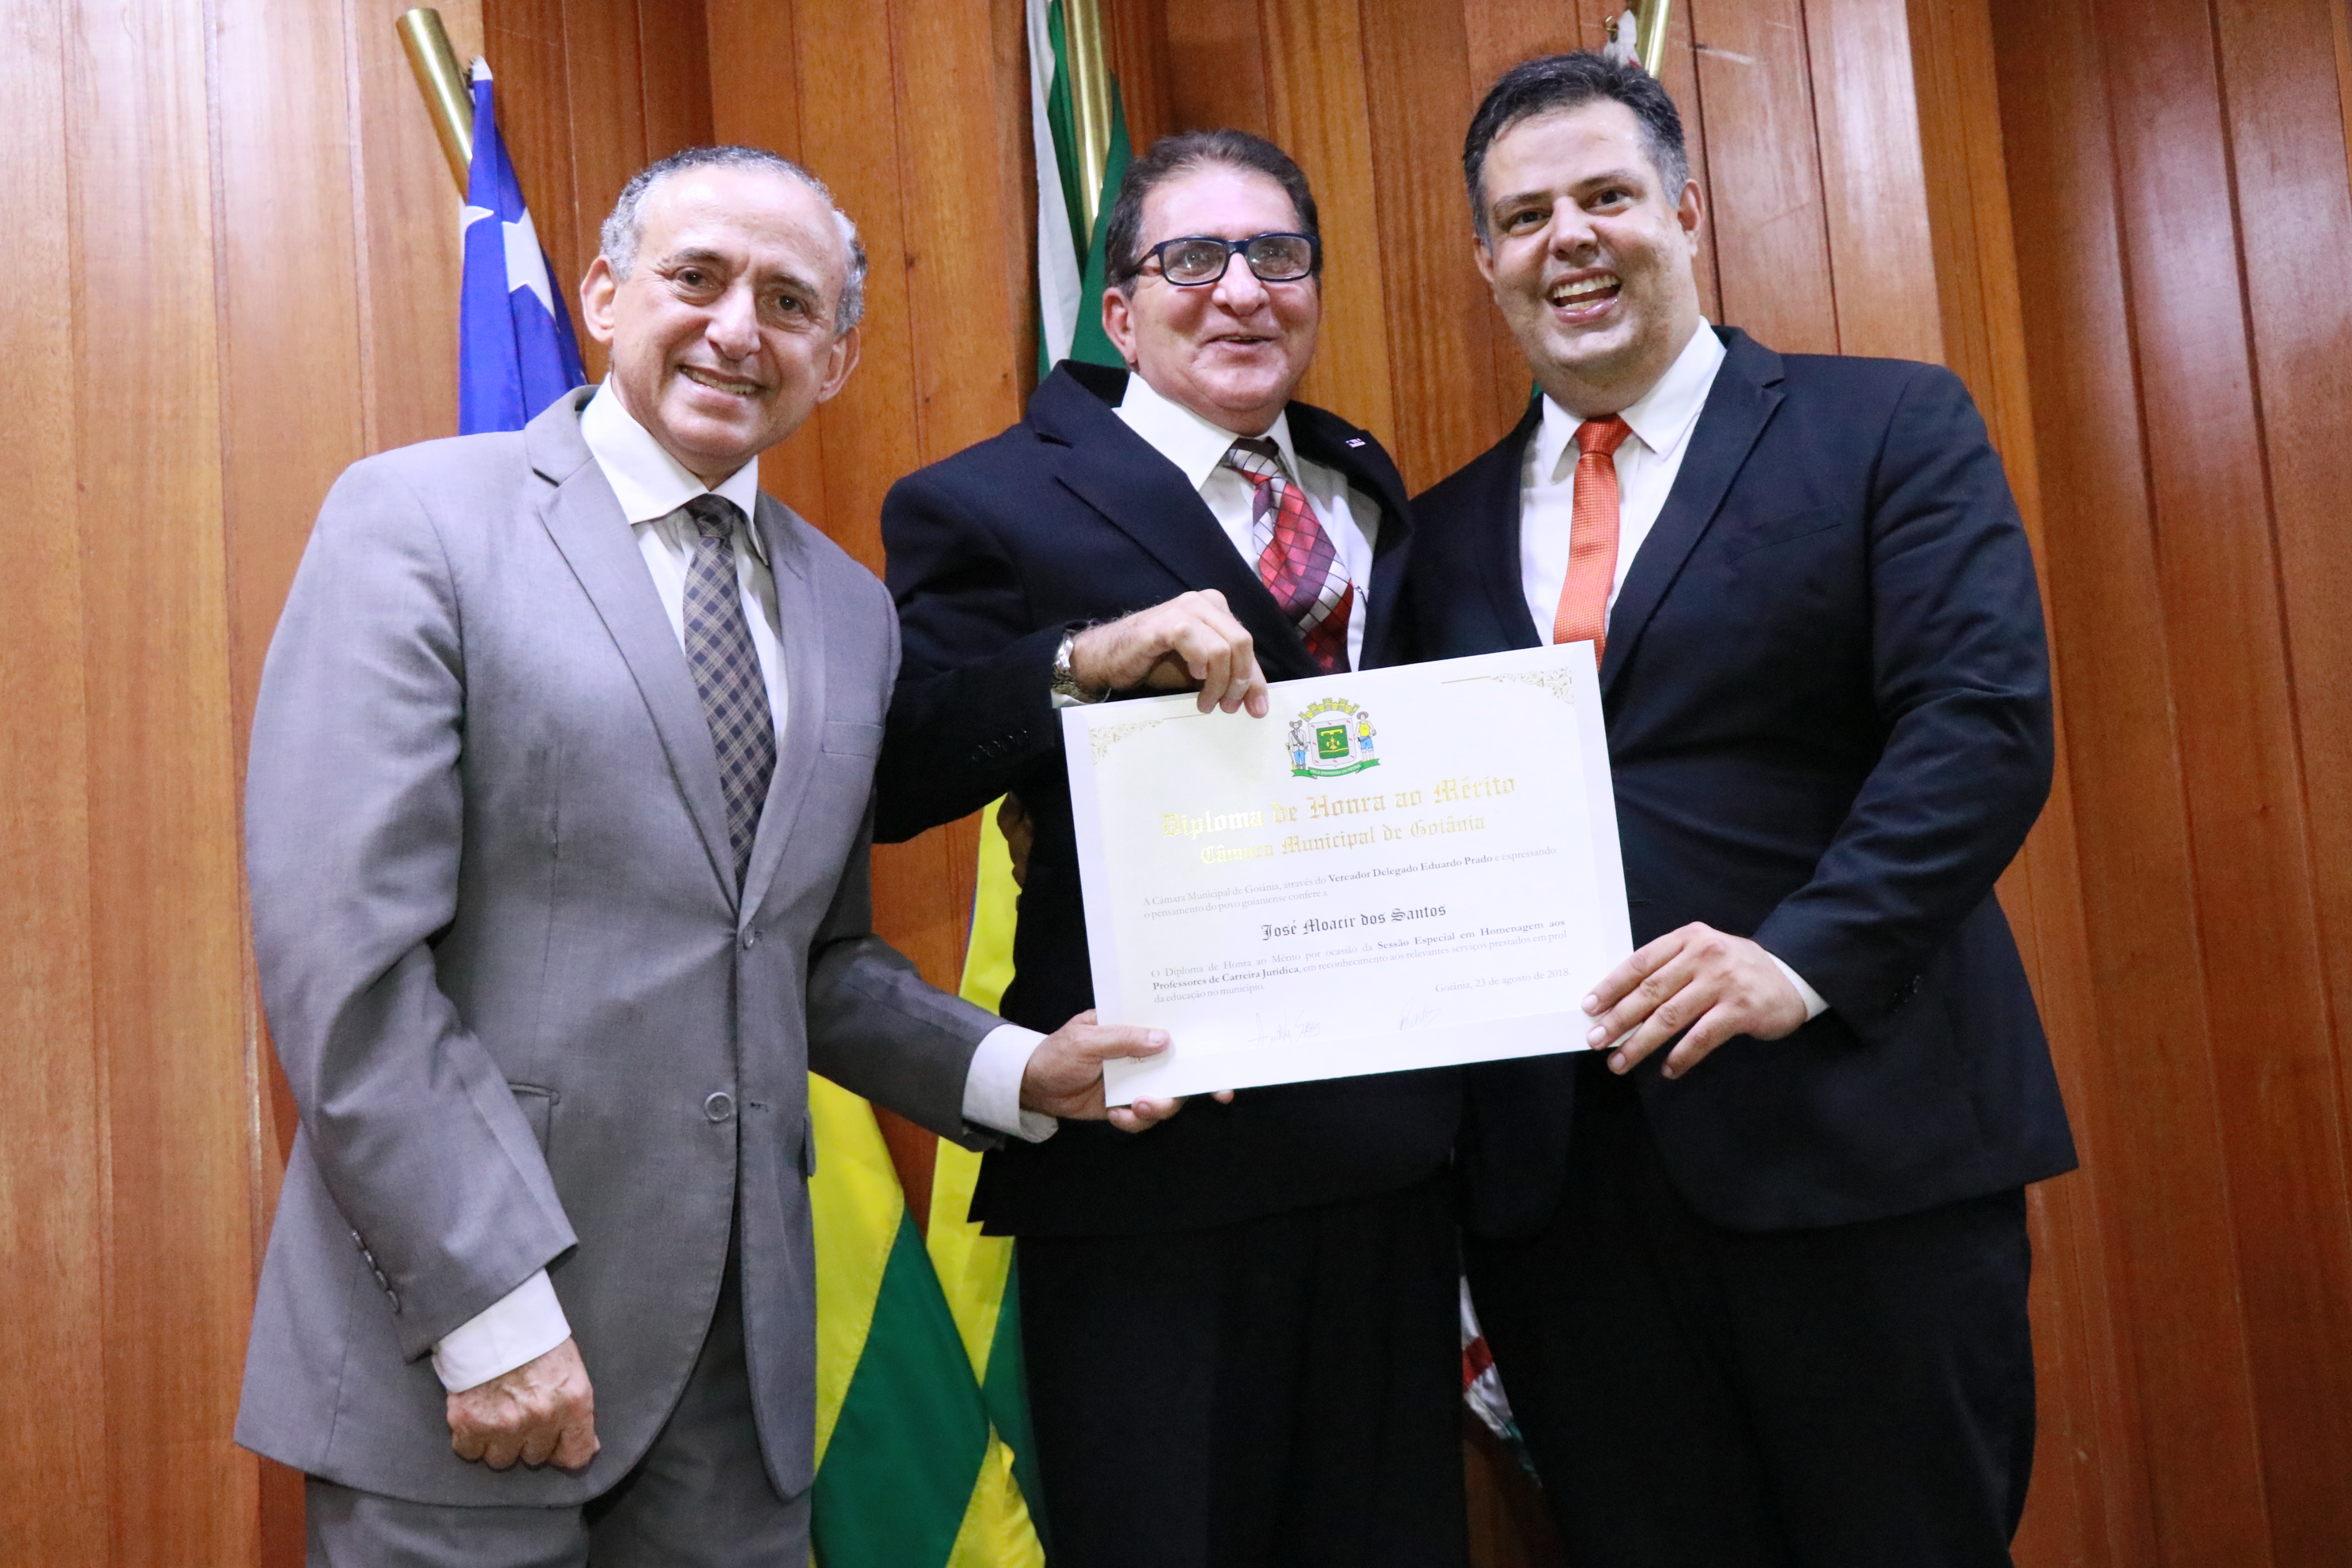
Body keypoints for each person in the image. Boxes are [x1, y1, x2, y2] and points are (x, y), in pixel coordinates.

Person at [234, 145, 1174, 1567]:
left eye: (790, 303)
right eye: (697, 278)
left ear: (834, 360)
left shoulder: (849, 609)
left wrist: (1014, 1071)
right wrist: (488, 1308)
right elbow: (346, 964)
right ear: (605, 296)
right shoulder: (416, 520)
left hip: (742, 1382)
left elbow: (808, 956)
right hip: (466, 1351)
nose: (740, 329)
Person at [1413, 53, 2078, 1567]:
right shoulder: (1437, 536)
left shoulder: (1886, 426)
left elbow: (1979, 727)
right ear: (1486, 260)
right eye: (1525, 217)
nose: (1569, 239)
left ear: (1687, 212)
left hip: (1856, 1147)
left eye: (1606, 196)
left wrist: (1800, 957)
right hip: (1567, 1209)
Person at [874, 130, 1465, 1568]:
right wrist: (1079, 660)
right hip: (1157, 1165)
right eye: (1193, 257)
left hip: (1392, 1159)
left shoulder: (1364, 485)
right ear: (1121, 311)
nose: (1242, 290)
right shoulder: (987, 498)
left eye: (1277, 256)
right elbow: (897, 769)